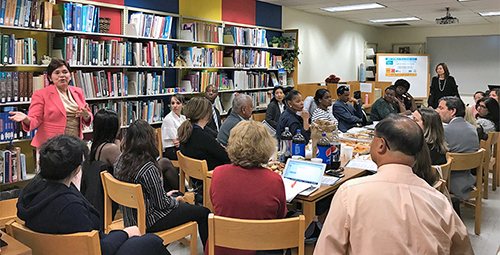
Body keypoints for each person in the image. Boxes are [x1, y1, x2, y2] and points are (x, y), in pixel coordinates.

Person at [314, 115, 473, 255]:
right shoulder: (439, 201)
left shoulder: (350, 193)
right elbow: (463, 249)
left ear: (381, 145)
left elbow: (327, 250)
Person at [17, 135, 169, 255]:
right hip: (89, 249)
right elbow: (97, 248)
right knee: (152, 241)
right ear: (77, 170)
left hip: (56, 249)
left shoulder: (32, 191)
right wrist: (124, 233)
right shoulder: (69, 207)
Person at [113, 120, 211, 248]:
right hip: (150, 221)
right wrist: (176, 200)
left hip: (130, 218)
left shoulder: (120, 160)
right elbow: (162, 205)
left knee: (177, 197)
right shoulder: (147, 167)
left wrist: (166, 196)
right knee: (203, 212)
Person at [209, 121, 287, 255]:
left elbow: (216, 205)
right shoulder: (274, 180)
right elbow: (280, 216)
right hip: (260, 248)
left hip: (222, 247)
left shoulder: (218, 174)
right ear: (267, 147)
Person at [9, 59, 93, 148]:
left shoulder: (78, 92)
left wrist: (86, 115)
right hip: (51, 144)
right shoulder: (41, 94)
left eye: (65, 72)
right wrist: (26, 118)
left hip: (75, 142)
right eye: (57, 73)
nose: (62, 75)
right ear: (50, 77)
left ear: (70, 75)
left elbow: (87, 117)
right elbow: (35, 119)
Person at [436, 96, 479, 200]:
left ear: (452, 111)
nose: (437, 111)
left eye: (441, 108)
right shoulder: (472, 128)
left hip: (450, 180)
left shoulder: (445, 131)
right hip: (468, 178)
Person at [178, 97, 230, 171]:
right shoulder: (203, 137)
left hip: (194, 175)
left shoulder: (185, 131)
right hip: (211, 176)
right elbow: (226, 156)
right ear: (205, 115)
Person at [161, 94, 186, 160]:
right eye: (172, 103)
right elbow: (176, 141)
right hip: (171, 150)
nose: (175, 106)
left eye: (178, 103)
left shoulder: (183, 118)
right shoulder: (168, 119)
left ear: (182, 105)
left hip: (181, 147)